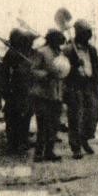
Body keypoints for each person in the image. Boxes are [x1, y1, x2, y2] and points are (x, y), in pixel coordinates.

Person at [63, 19, 98, 159]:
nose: (88, 36)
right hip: (75, 85)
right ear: (78, 33)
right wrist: (74, 66)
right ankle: (76, 147)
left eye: (89, 33)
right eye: (85, 33)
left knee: (93, 114)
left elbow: (96, 69)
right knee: (75, 116)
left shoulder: (92, 50)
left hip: (90, 85)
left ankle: (84, 138)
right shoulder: (68, 50)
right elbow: (63, 70)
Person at [30, 29, 66, 162]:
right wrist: (46, 75)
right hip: (42, 94)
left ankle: (49, 151)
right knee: (43, 125)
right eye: (58, 40)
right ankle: (39, 153)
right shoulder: (41, 52)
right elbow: (33, 70)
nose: (60, 44)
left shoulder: (59, 53)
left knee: (54, 125)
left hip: (56, 93)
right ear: (51, 40)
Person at [2, 29, 37, 153]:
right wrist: (5, 91)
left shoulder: (29, 53)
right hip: (14, 90)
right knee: (13, 116)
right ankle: (13, 143)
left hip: (27, 89)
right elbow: (5, 73)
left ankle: (23, 140)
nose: (30, 43)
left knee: (26, 114)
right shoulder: (11, 54)